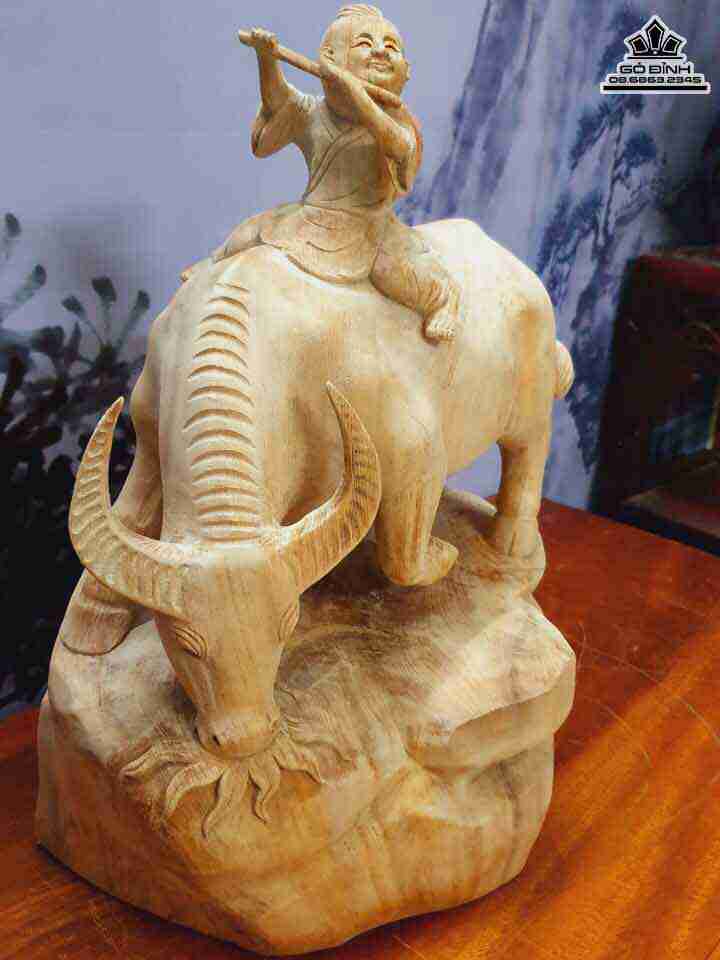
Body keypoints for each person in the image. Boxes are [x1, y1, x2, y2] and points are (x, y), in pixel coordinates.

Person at [187, 4, 461, 341]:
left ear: (406, 71)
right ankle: (211, 267)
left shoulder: (399, 121)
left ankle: (444, 301)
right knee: (249, 234)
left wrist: (357, 95)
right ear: (330, 57)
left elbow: (399, 147)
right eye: (364, 43)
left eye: (391, 47)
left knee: (396, 273)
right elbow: (278, 103)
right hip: (311, 215)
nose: (380, 50)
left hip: (370, 226)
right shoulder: (314, 111)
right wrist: (266, 60)